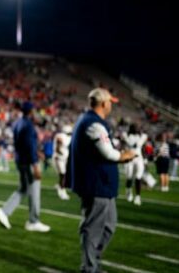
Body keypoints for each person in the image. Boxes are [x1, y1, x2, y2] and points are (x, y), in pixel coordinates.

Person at [69, 88, 135, 273]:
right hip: (96, 184)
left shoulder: (89, 121)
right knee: (93, 228)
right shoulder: (94, 124)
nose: (112, 105)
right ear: (104, 103)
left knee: (108, 226)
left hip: (102, 184)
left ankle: (94, 263)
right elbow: (108, 153)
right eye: (110, 102)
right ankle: (89, 268)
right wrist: (125, 156)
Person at [0, 102, 50, 232]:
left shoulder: (18, 123)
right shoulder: (29, 125)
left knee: (24, 188)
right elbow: (29, 145)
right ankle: (33, 221)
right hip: (29, 162)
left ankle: (4, 211)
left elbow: (23, 144)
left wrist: (37, 153)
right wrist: (35, 164)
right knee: (34, 190)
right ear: (31, 112)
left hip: (20, 160)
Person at [122, 124, 148, 205]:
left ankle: (137, 196)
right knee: (129, 177)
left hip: (138, 158)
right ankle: (128, 191)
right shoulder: (126, 135)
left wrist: (145, 159)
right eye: (135, 128)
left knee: (138, 177)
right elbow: (125, 144)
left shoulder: (142, 136)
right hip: (129, 158)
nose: (137, 129)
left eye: (137, 128)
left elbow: (142, 147)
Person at [52, 124, 72, 200]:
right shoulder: (60, 136)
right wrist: (60, 152)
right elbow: (58, 147)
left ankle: (60, 186)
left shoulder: (68, 137)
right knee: (63, 175)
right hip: (59, 158)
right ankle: (62, 191)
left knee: (63, 174)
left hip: (63, 158)